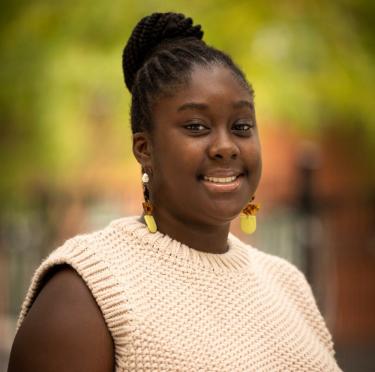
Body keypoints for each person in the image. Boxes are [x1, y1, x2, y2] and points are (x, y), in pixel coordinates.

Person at [8, 12, 341, 371]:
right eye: (196, 126)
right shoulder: (86, 292)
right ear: (144, 149)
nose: (226, 146)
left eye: (242, 126)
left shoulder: (289, 285)